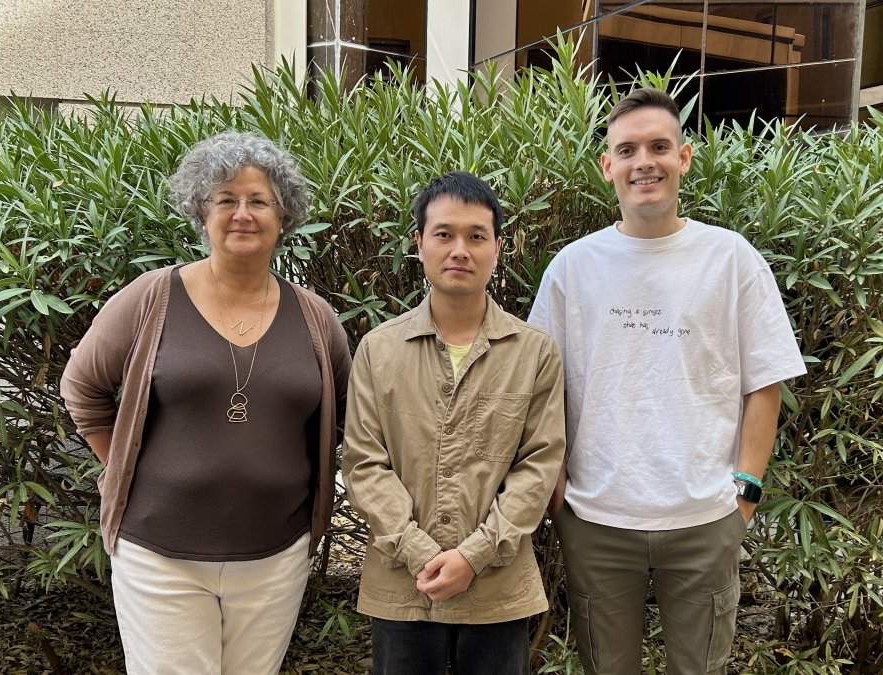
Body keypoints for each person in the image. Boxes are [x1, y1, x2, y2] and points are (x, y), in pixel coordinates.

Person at [528, 87, 806, 674]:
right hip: (597, 520)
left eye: (658, 147)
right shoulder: (572, 268)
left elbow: (765, 382)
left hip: (706, 518)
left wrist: (745, 494)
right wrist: (557, 494)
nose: (643, 163)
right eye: (627, 150)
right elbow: (540, 389)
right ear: (607, 166)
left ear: (683, 157)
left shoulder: (730, 259)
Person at [60, 131, 351, 675]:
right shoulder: (151, 296)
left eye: (259, 200)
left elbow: (339, 418)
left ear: (284, 216)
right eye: (226, 199)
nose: (242, 213)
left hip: (276, 555)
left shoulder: (316, 318)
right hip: (159, 553)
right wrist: (124, 467)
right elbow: (83, 389)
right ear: (201, 211)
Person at [342, 171, 566, 675]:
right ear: (419, 243)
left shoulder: (533, 353)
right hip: (402, 585)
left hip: (497, 586)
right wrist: (418, 551)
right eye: (443, 234)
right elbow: (363, 464)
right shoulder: (379, 350)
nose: (459, 250)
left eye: (476, 236)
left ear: (498, 248)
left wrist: (475, 555)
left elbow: (540, 464)